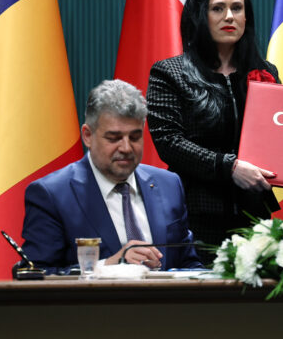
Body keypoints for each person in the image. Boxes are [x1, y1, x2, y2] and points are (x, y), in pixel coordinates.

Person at [147, 0, 283, 263]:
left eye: (237, 8)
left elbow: (277, 140)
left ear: (247, 17)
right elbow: (168, 142)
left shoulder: (265, 71)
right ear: (199, 15)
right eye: (218, 8)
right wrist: (229, 167)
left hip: (253, 216)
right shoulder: (169, 72)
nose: (229, 16)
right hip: (195, 216)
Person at [21, 79, 202, 273]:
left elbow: (189, 266)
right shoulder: (52, 194)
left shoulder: (169, 185)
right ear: (88, 136)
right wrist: (108, 266)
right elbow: (35, 274)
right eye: (114, 138)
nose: (126, 148)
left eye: (135, 137)